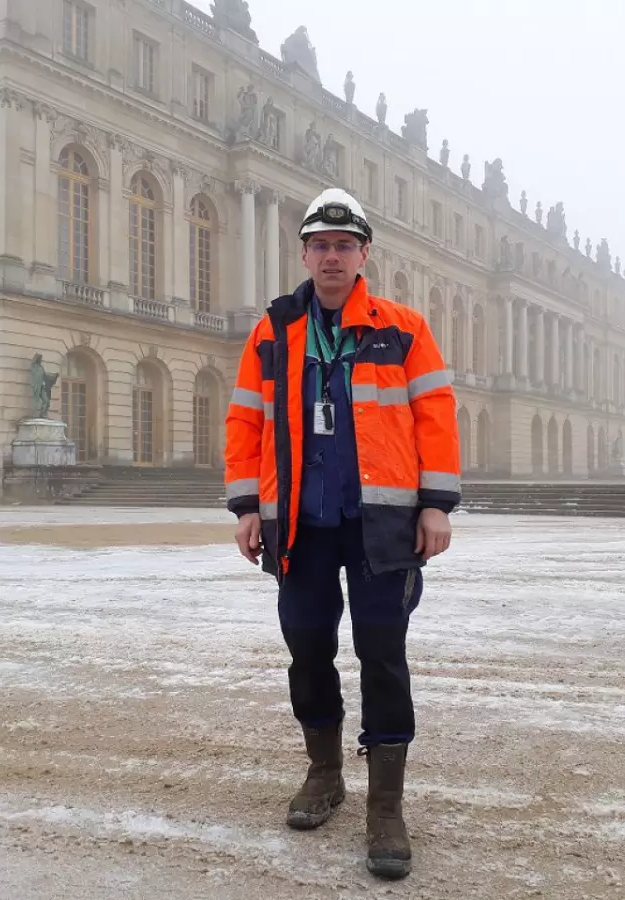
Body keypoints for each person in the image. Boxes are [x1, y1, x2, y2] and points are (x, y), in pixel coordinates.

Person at [224, 189, 461, 880]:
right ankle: (324, 772)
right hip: (299, 519)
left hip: (381, 520)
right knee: (306, 644)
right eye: (320, 245)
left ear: (363, 255)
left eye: (344, 245)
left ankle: (385, 805)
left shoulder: (404, 328)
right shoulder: (274, 329)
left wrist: (436, 503)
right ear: (304, 254)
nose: (332, 256)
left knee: (382, 651)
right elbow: (245, 420)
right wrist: (246, 506)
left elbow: (435, 419)